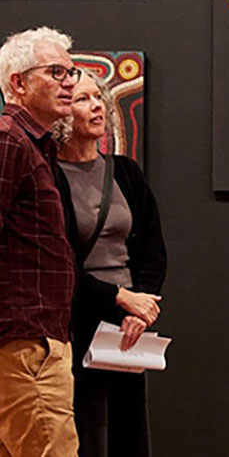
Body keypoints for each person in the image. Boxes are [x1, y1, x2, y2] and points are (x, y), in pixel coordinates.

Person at [52, 68, 165, 457]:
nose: (97, 106)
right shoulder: (47, 176)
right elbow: (57, 262)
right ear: (63, 114)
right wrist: (119, 297)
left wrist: (142, 306)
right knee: (82, 427)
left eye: (98, 97)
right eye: (83, 99)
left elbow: (152, 249)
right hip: (74, 316)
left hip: (127, 322)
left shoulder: (126, 172)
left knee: (128, 426)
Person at [0, 27, 81, 457]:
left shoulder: (37, 146)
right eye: (56, 72)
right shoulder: (8, 140)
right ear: (18, 83)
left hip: (34, 341)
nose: (70, 81)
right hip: (24, 345)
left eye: (72, 72)